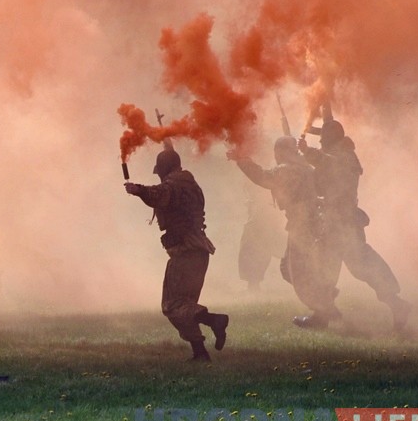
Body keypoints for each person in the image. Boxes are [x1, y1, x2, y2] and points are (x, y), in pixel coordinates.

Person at [298, 120, 410, 331]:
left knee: (355, 266)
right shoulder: (339, 154)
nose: (321, 142)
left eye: (323, 139)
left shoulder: (344, 156)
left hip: (342, 223)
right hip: (336, 221)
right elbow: (324, 179)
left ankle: (396, 304)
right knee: (329, 268)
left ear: (331, 139)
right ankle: (322, 316)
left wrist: (308, 152)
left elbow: (330, 164)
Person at [124, 148, 228, 361]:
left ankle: (214, 321)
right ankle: (200, 353)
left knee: (173, 305)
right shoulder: (190, 184)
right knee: (186, 305)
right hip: (198, 252)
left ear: (164, 167)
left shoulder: (174, 185)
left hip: (185, 252)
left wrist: (138, 190)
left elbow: (158, 195)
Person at [229, 137, 341, 328]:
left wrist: (242, 160)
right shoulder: (305, 167)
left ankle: (323, 310)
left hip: (302, 225)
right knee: (290, 268)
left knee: (297, 272)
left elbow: (262, 177)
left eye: (277, 151)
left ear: (281, 152)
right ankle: (325, 301)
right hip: (309, 223)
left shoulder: (287, 170)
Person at [237, 181, 286, 291]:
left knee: (260, 248)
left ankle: (253, 284)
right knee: (255, 249)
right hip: (262, 216)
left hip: (266, 217)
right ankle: (253, 284)